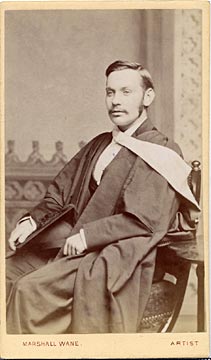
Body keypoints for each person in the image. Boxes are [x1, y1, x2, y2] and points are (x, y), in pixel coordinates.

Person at [6, 60, 200, 334]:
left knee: (30, 291)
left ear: (147, 96)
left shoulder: (162, 151)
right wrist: (32, 222)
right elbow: (59, 194)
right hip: (72, 244)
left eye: (126, 92)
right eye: (110, 93)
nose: (115, 101)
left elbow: (144, 221)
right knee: (6, 274)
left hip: (116, 254)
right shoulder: (100, 144)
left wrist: (87, 237)